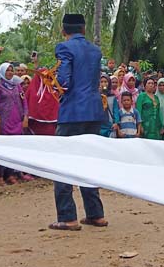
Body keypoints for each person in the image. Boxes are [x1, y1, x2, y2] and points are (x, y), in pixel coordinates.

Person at [48, 14, 106, 232]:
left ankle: (67, 217)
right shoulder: (95, 50)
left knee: (62, 164)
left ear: (64, 30)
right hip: (93, 110)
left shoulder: (64, 48)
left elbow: (63, 80)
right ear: (84, 28)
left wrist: (53, 83)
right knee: (89, 162)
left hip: (72, 111)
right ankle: (95, 214)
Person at [0, 62, 29, 184]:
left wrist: (25, 117)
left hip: (17, 121)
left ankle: (11, 174)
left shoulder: (17, 85)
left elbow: (24, 102)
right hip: (4, 122)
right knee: (3, 148)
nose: (10, 73)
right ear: (2, 72)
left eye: (11, 70)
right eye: (7, 70)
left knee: (15, 148)